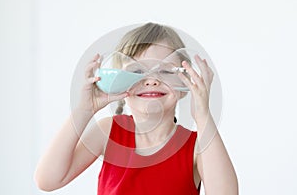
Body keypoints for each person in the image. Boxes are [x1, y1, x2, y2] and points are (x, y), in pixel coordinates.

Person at [34, 22, 238, 195]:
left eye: (166, 71)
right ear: (119, 82)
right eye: (137, 71)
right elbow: (49, 180)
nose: (151, 80)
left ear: (185, 85)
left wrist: (202, 115)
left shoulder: (195, 146)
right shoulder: (109, 132)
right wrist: (84, 110)